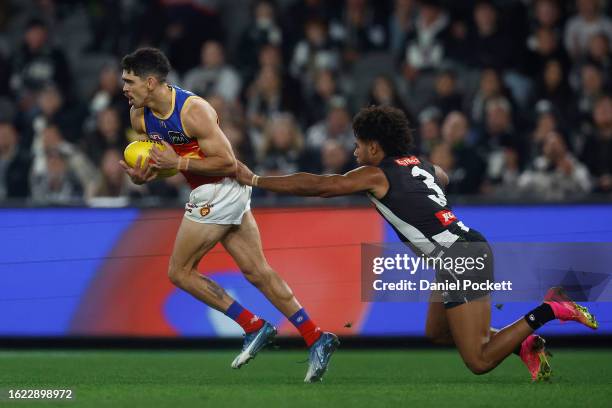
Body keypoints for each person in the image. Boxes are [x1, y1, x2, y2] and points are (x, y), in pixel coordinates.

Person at [236, 105, 599, 381]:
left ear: (375, 147)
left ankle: (550, 308)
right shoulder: (419, 164)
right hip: (459, 251)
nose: (355, 151)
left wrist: (256, 179)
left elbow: (320, 186)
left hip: (460, 257)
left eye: (359, 144)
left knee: (479, 361)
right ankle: (520, 342)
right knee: (437, 333)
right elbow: (439, 176)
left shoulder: (374, 174)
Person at [118, 48, 338, 383]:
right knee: (257, 271)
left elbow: (227, 163)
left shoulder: (194, 110)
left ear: (150, 82)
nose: (124, 87)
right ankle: (315, 335)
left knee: (179, 272)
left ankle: (252, 325)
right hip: (221, 192)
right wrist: (146, 175)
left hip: (219, 188)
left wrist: (176, 165)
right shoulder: (139, 117)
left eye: (129, 81)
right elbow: (171, 160)